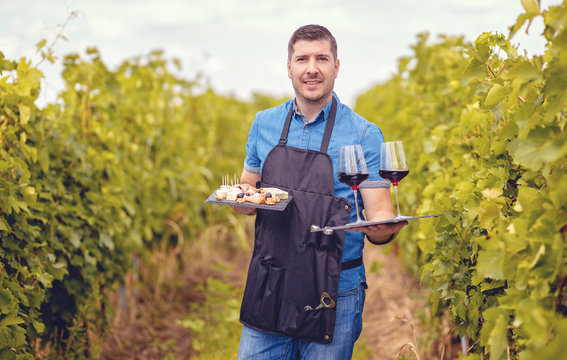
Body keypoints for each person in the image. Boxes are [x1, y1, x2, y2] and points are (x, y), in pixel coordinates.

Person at [232, 24, 407, 360]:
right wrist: (241, 201)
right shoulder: (263, 123)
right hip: (272, 279)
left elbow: (380, 215)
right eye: (302, 59)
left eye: (322, 58)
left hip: (335, 288)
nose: (311, 68)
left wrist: (383, 230)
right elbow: (248, 191)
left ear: (336, 67)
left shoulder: (364, 133)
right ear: (289, 67)